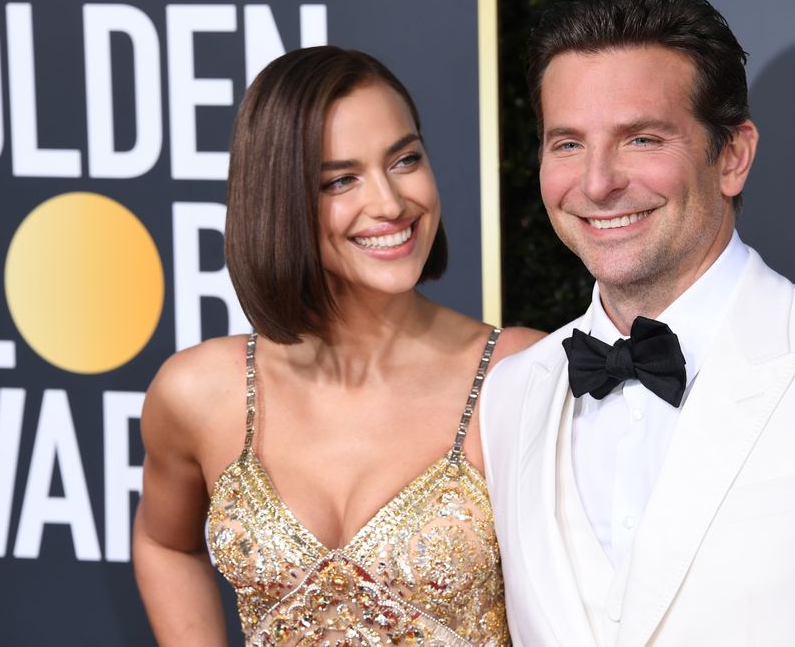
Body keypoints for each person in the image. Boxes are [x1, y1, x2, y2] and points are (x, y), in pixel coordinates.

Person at [480, 0, 795, 647]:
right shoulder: (513, 395)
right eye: (567, 144)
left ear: (733, 156)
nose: (596, 183)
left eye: (642, 138)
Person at [132, 46, 541, 646]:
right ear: (278, 199)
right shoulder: (199, 391)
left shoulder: (520, 374)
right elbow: (164, 542)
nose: (390, 203)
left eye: (404, 160)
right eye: (340, 180)